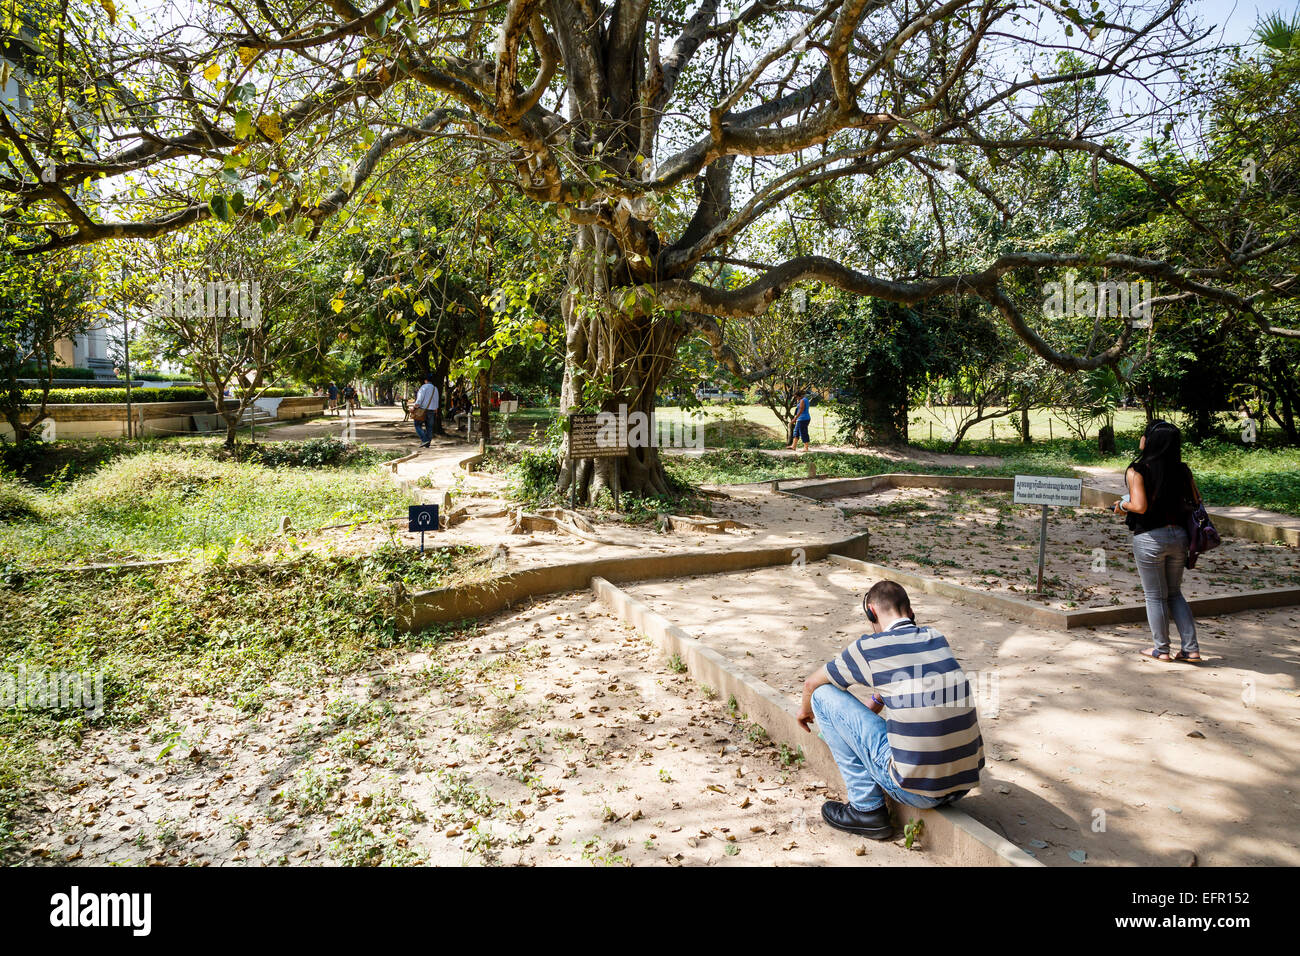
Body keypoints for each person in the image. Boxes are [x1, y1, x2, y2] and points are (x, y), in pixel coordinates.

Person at [797, 580, 984, 839]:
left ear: (871, 612)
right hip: (962, 784)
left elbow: (812, 683)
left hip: (917, 792)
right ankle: (870, 807)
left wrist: (804, 711)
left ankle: (866, 809)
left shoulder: (871, 647)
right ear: (909, 611)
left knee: (822, 696)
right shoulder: (936, 638)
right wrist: (874, 703)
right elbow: (910, 680)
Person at [1113, 420, 1201, 663]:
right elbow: (1196, 499)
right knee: (1175, 593)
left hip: (1150, 538)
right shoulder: (1182, 469)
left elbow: (1139, 506)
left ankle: (1161, 649)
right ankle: (1191, 649)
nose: (1141, 438)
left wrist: (1121, 505)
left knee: (1154, 595)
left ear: (1151, 441)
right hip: (1180, 537)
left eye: (1144, 435)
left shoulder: (1137, 470)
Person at [412, 373, 439, 447]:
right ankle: (427, 444)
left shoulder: (424, 387)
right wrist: (436, 409)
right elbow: (436, 400)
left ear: (425, 380)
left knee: (417, 425)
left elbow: (419, 399)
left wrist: (414, 407)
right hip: (432, 410)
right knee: (429, 427)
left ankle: (424, 440)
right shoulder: (435, 388)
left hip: (422, 410)